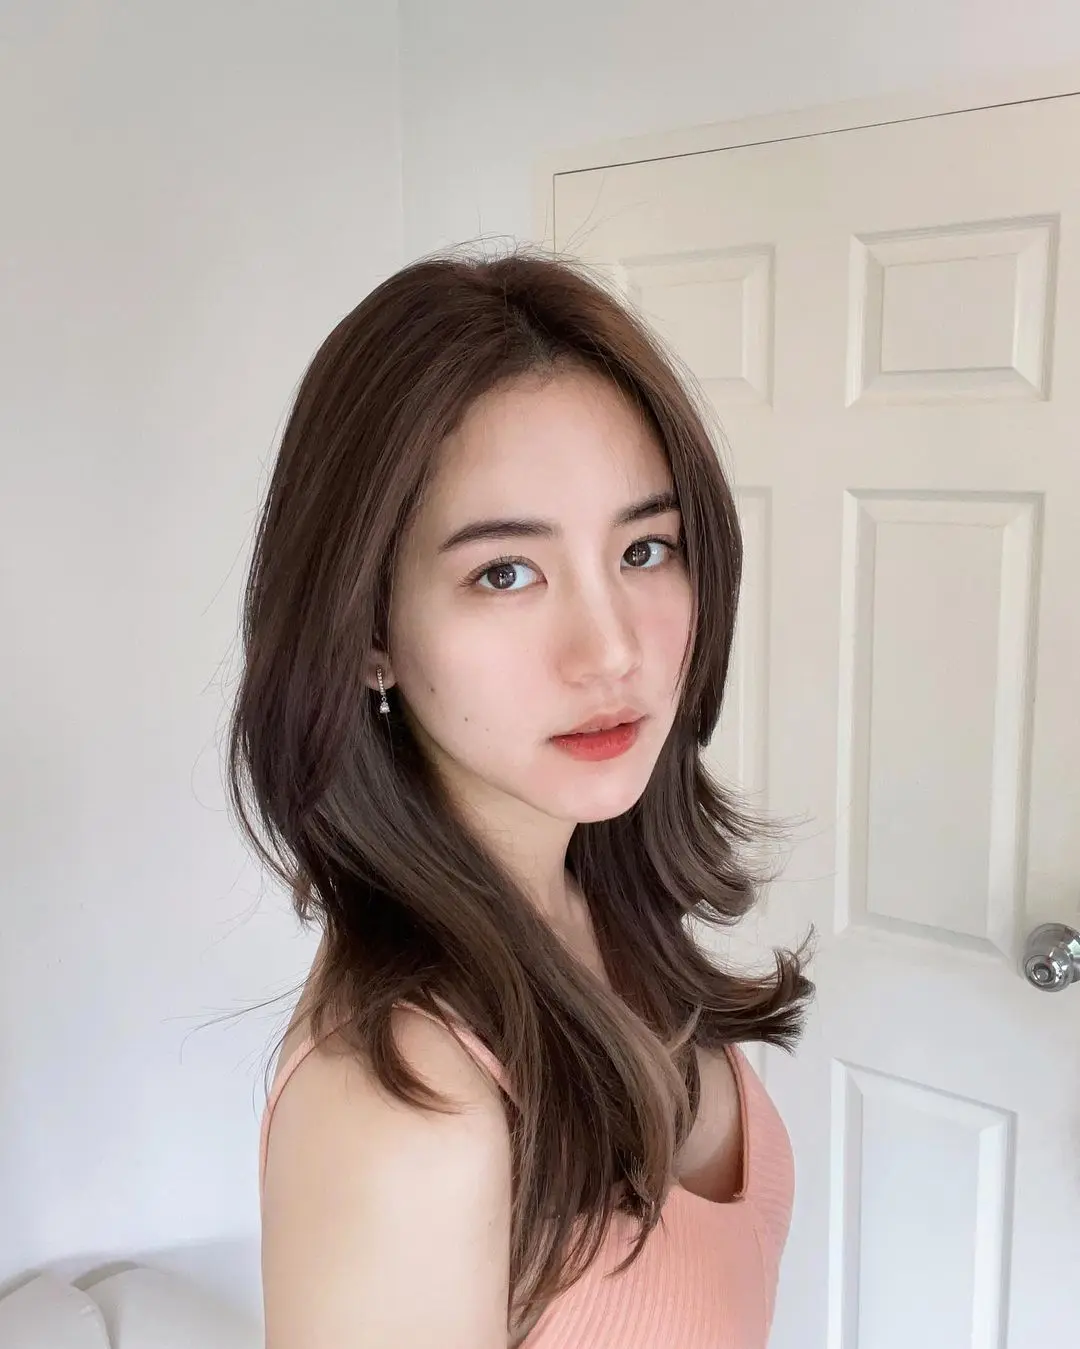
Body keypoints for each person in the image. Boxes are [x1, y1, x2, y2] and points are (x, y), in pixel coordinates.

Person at [230, 246, 813, 1349]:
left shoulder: (591, 893)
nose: (612, 650)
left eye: (645, 548)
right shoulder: (409, 1112)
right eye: (505, 572)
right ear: (367, 632)